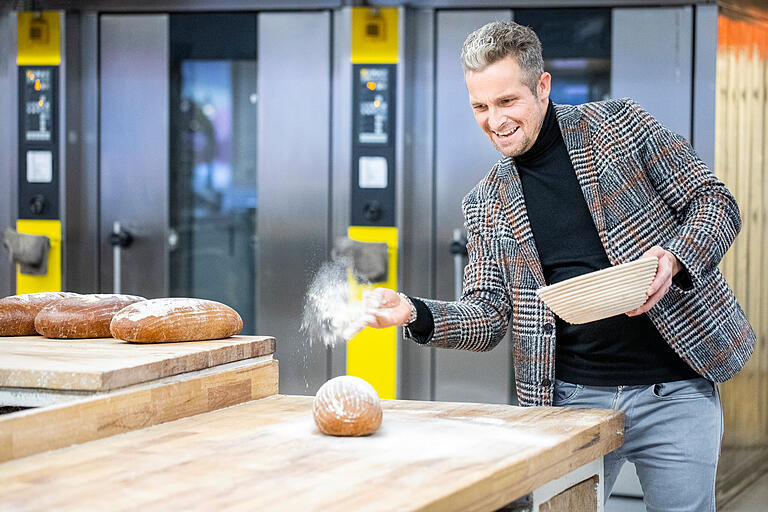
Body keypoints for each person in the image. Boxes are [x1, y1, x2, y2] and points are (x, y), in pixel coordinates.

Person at [357, 20, 755, 512]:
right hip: (569, 399)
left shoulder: (619, 128)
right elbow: (488, 315)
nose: (494, 120)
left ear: (542, 86)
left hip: (673, 389)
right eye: (480, 106)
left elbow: (714, 201)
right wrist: (413, 312)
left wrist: (673, 259)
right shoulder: (487, 202)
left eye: (507, 102)